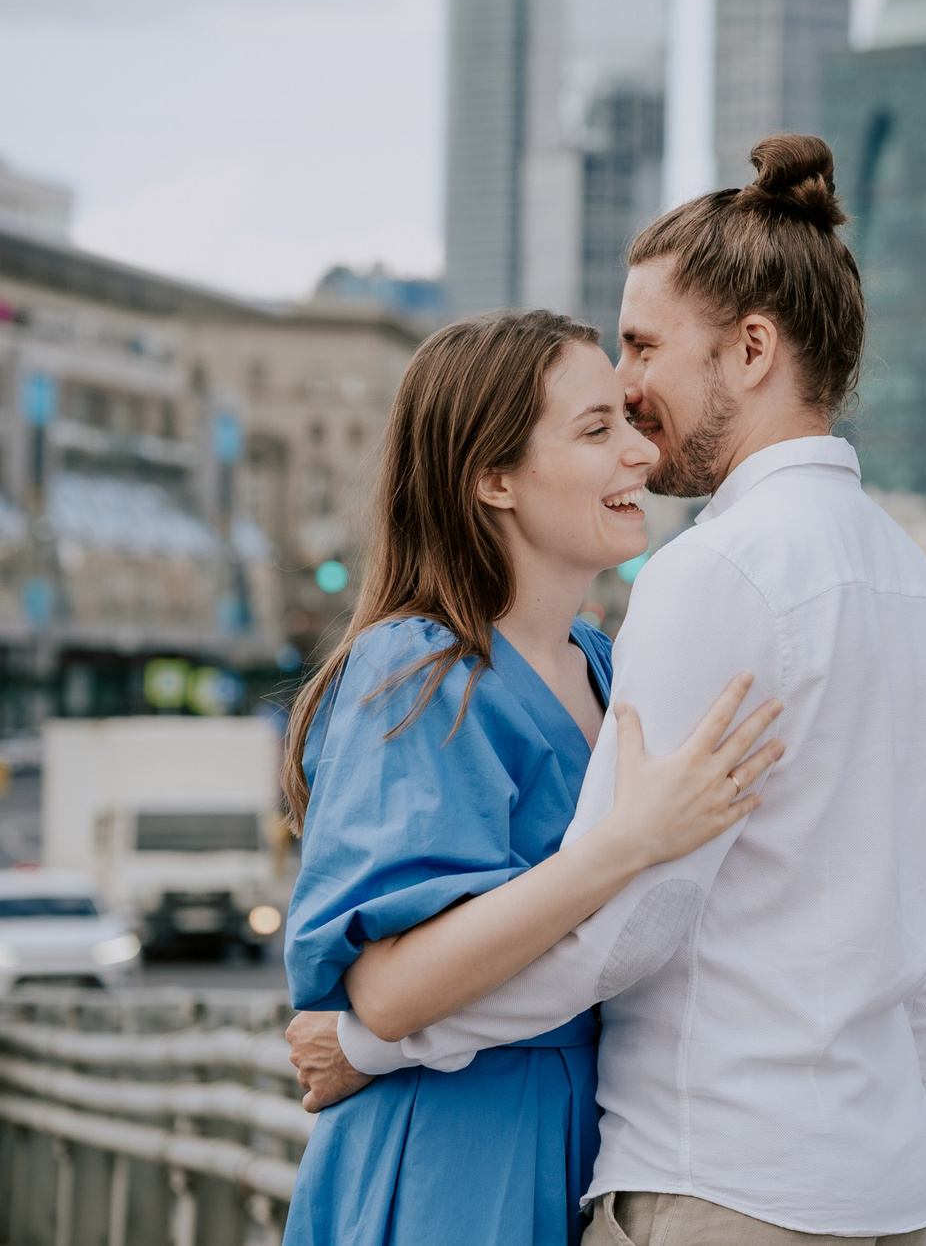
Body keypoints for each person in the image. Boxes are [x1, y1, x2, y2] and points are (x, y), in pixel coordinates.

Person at [293, 135, 926, 1246]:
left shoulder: (711, 574)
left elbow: (626, 927)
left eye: (642, 345)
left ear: (751, 348)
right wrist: (857, 1140)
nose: (628, 391)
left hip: (713, 1180)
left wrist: (373, 1039)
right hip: (873, 1192)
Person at [282, 309, 788, 1246]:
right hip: (453, 1160)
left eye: (627, 421)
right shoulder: (417, 670)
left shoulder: (609, 664)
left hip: (602, 1140)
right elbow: (388, 990)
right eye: (596, 430)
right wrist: (626, 842)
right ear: (495, 477)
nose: (641, 452)